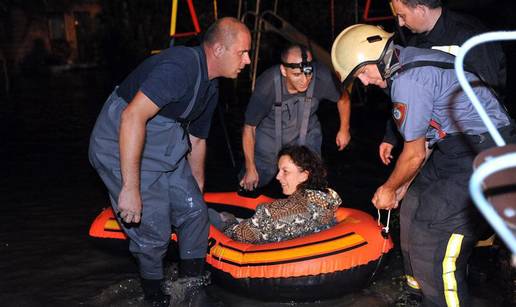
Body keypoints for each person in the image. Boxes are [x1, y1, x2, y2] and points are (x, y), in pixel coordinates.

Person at [331, 24, 515, 306]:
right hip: (456, 147)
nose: (365, 82)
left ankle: (440, 300)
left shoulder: (408, 81)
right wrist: (403, 187)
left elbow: (414, 153)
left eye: (362, 73)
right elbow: (426, 142)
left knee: (434, 236)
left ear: (376, 58)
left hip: (485, 153)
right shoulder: (406, 64)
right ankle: (416, 293)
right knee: (413, 205)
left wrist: (388, 187)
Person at [88, 17, 251, 306]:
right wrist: (130, 188)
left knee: (194, 213)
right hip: (120, 142)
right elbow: (132, 116)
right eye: (242, 52)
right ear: (217, 50)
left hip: (164, 143)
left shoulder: (211, 88)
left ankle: (193, 285)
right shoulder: (180, 67)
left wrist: (196, 190)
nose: (248, 60)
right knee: (154, 233)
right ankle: (155, 297)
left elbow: (198, 140)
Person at [380, 0, 507, 166]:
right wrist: (391, 137)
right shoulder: (415, 45)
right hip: (437, 140)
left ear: (420, 9)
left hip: (478, 140)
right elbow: (406, 98)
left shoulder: (470, 36)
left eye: (402, 16)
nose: (400, 23)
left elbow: (490, 90)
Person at [239, 44, 351, 192]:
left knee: (312, 178)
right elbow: (249, 128)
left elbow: (343, 99)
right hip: (270, 135)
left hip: (306, 130)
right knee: (253, 180)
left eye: (308, 74)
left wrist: (344, 129)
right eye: (297, 75)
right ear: (284, 70)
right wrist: (250, 167)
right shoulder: (267, 85)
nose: (304, 80)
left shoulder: (322, 77)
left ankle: (310, 207)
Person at [212, 145, 341, 244]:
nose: (278, 177)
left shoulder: (272, 212)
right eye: (279, 170)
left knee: (208, 215)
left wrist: (229, 222)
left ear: (304, 175)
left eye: (285, 171)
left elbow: (238, 236)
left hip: (251, 247)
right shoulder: (328, 202)